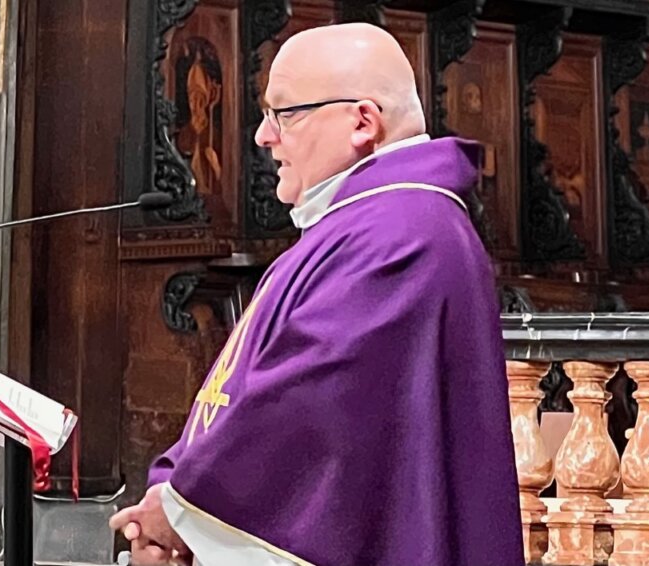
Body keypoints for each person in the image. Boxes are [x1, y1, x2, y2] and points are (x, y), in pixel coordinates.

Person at [109, 22, 524, 566]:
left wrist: (183, 512)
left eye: (284, 114)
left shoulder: (403, 234)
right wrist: (173, 497)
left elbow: (311, 410)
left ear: (362, 122)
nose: (263, 136)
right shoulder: (361, 226)